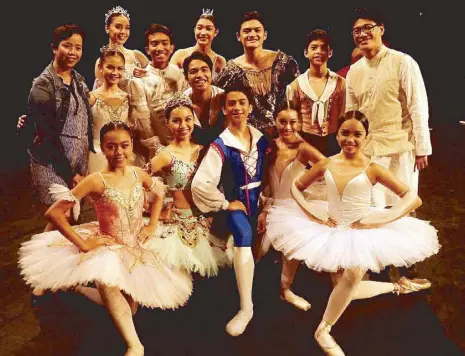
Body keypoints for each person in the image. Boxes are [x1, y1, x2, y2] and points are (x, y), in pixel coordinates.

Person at [266, 111, 440, 355]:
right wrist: (310, 212)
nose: (350, 139)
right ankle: (399, 287)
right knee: (347, 289)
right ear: (337, 135)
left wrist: (383, 219)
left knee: (354, 275)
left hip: (360, 228)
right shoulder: (326, 163)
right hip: (332, 226)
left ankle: (323, 330)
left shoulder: (373, 168)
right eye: (345, 133)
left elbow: (413, 198)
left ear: (366, 137)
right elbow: (297, 186)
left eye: (357, 134)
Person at [19, 121, 193, 356]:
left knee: (130, 310)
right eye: (111, 147)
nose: (118, 152)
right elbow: (55, 213)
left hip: (133, 245)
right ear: (102, 148)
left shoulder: (138, 173)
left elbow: (159, 191)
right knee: (106, 279)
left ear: (131, 146)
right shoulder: (96, 180)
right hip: (108, 244)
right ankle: (135, 345)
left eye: (124, 146)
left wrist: (151, 224)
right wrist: (83, 244)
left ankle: (77, 288)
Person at [191, 87, 270, 336]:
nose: (237, 107)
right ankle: (246, 307)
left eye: (242, 102)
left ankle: (283, 288)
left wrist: (268, 202)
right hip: (238, 204)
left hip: (263, 201)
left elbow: (271, 170)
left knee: (268, 244)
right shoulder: (220, 144)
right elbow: (200, 183)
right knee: (243, 236)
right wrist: (226, 204)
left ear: (250, 107)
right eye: (231, 103)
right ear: (224, 109)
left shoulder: (261, 138)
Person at [144, 94, 233, 276]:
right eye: (176, 121)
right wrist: (151, 209)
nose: (183, 126)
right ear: (168, 123)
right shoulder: (165, 155)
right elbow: (136, 180)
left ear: (194, 121)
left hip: (205, 220)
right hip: (177, 222)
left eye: (188, 119)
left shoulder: (205, 150)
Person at [256, 103, 325, 311]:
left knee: (292, 242)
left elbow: (326, 165)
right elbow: (267, 182)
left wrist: (305, 183)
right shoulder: (269, 145)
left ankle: (286, 290)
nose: (287, 127)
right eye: (282, 122)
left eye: (292, 122)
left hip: (292, 206)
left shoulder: (303, 148)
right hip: (271, 203)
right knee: (259, 250)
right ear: (275, 122)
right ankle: (252, 291)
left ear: (299, 123)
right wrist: (265, 207)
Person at [214, 11, 300, 135]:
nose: (252, 34)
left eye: (257, 30)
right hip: (248, 138)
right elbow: (219, 107)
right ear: (239, 36)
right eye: (247, 31)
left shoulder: (286, 64)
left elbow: (299, 102)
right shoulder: (229, 71)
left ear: (264, 35)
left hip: (285, 134)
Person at [129, 24, 187, 163]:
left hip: (183, 142)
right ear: (147, 50)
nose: (160, 48)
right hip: (154, 150)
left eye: (164, 43)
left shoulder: (178, 73)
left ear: (172, 48)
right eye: (154, 44)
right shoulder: (139, 80)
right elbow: (144, 122)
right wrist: (159, 149)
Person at [286, 29, 345, 156]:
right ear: (306, 52)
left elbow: (344, 115)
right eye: (314, 48)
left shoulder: (341, 83)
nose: (318, 51)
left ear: (330, 53)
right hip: (305, 141)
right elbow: (291, 118)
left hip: (334, 141)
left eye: (323, 48)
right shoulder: (295, 86)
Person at [89, 48, 130, 173]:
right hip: (97, 154)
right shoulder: (91, 97)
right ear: (101, 67)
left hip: (121, 155)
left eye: (119, 68)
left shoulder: (128, 97)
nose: (115, 72)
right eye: (110, 67)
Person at [93, 6, 149, 91]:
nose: (123, 32)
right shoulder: (101, 62)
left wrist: (146, 76)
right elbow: (102, 95)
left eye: (127, 28)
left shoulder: (136, 55)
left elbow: (156, 78)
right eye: (118, 27)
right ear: (107, 28)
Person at [182, 51, 225, 145]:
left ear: (212, 73)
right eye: (193, 71)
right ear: (186, 77)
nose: (200, 75)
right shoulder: (181, 104)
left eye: (204, 70)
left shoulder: (226, 98)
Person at [171, 9, 226, 81]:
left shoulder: (219, 61)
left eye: (208, 29)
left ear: (215, 32)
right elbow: (168, 82)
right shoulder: (180, 55)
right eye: (199, 28)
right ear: (194, 30)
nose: (203, 33)